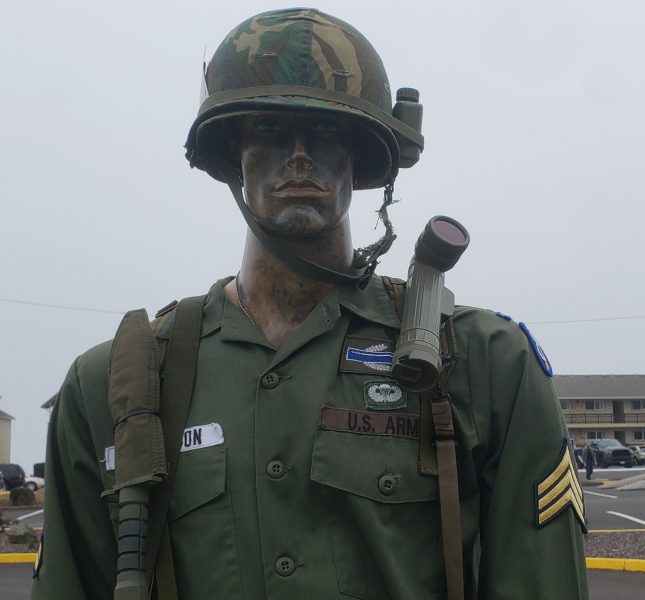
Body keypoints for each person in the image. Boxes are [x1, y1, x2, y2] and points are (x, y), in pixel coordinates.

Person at [32, 8, 589, 600]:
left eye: (326, 131)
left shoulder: (482, 364)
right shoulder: (119, 383)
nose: (299, 155)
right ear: (233, 154)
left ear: (362, 158)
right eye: (269, 129)